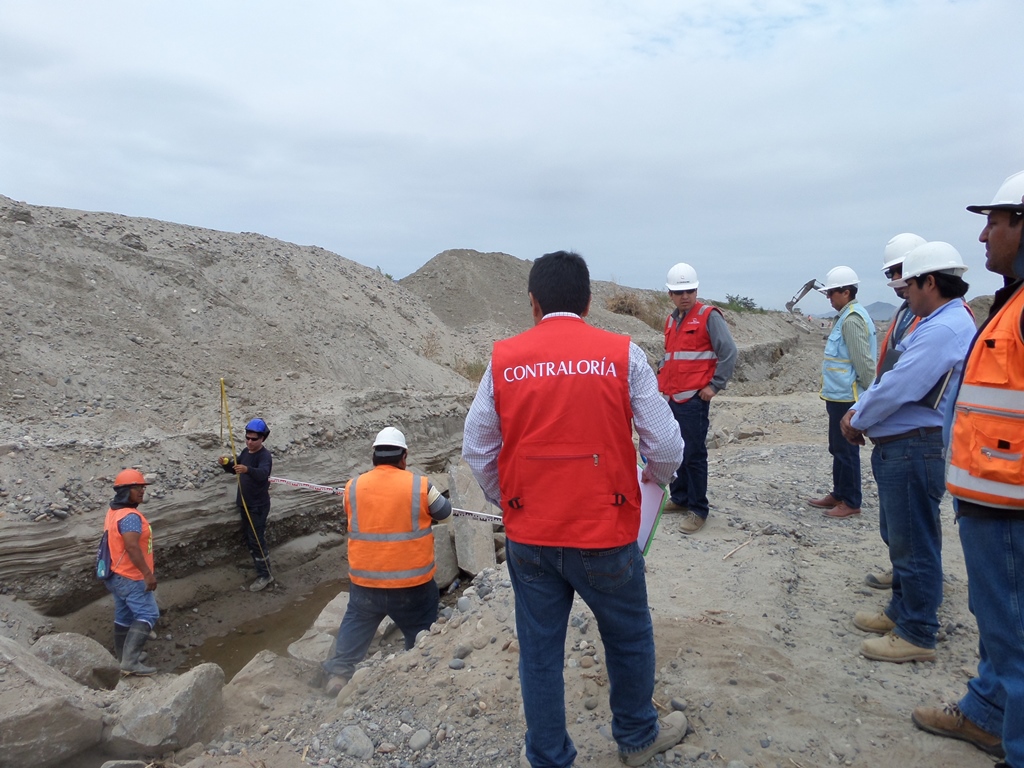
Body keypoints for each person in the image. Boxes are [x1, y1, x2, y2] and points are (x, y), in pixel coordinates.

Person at [463, 251, 687, 768]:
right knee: (629, 637)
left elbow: (477, 448)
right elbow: (668, 446)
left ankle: (547, 755)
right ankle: (635, 737)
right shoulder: (622, 355)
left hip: (530, 537)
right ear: (588, 302)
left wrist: (510, 500)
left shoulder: (503, 359)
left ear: (533, 303)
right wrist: (654, 479)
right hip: (606, 532)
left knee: (540, 651)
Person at [912, 170, 1024, 767]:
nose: (984, 236)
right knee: (1000, 623)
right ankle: (987, 712)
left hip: (1012, 503)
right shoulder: (1009, 303)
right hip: (991, 497)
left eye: (996, 222)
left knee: (1016, 636)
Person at [840, 242, 976, 663]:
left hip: (915, 446)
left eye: (908, 284)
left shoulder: (943, 328)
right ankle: (902, 610)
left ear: (929, 282)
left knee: (914, 540)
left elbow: (901, 385)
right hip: (906, 445)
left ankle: (917, 631)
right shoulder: (934, 321)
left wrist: (855, 419)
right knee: (903, 537)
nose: (904, 292)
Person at [321, 427, 452, 696]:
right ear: (404, 456)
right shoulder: (420, 484)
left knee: (356, 624)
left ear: (374, 456)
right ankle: (416, 674)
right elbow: (445, 513)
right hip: (413, 585)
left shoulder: (353, 487)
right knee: (420, 634)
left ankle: (338, 675)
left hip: (366, 583)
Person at [864, 232, 927, 591]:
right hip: (895, 432)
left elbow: (902, 381)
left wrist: (858, 416)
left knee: (912, 526)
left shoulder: (935, 318)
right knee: (897, 525)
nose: (895, 282)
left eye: (899, 273)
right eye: (890, 274)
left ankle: (914, 604)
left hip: (915, 436)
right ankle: (905, 576)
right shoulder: (907, 312)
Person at [657, 262, 737, 535]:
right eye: (679, 292)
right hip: (671, 398)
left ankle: (698, 509)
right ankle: (680, 498)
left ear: (696, 289)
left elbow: (729, 352)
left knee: (693, 454)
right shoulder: (671, 320)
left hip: (693, 399)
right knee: (675, 452)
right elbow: (671, 355)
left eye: (689, 290)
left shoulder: (708, 316)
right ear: (670, 293)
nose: (685, 296)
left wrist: (714, 386)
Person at [807, 266, 876, 518]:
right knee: (837, 448)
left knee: (846, 450)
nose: (828, 298)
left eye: (831, 293)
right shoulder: (844, 317)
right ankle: (839, 493)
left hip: (848, 397)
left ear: (845, 292)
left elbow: (864, 363)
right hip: (837, 397)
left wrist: (872, 396)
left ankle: (851, 500)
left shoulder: (852, 320)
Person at [103, 468, 158, 675]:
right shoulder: (130, 517)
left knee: (124, 615)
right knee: (148, 613)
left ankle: (123, 657)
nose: (142, 491)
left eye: (142, 487)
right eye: (137, 488)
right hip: (130, 576)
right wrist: (147, 573)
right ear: (125, 491)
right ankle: (130, 661)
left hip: (115, 574)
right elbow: (132, 547)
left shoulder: (114, 511)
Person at [221, 417, 274, 592]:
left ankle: (265, 574)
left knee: (257, 539)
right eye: (248, 438)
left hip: (258, 505)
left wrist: (247, 470)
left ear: (262, 439)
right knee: (250, 538)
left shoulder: (264, 456)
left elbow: (263, 473)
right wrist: (226, 464)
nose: (250, 442)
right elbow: (235, 467)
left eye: (254, 439)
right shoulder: (245, 452)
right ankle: (258, 566)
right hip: (245, 503)